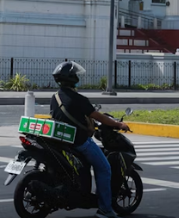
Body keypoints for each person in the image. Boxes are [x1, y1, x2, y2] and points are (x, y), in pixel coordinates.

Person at [49, 61, 129, 218]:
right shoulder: (79, 99)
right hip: (79, 142)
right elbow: (99, 117)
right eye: (76, 75)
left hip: (60, 141)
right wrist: (118, 124)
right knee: (105, 168)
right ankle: (105, 209)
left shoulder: (55, 97)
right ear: (72, 78)